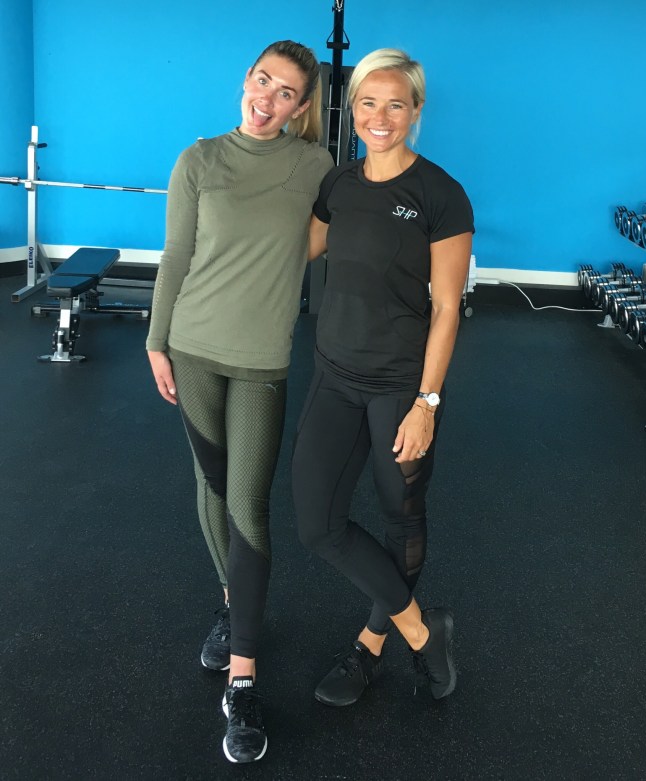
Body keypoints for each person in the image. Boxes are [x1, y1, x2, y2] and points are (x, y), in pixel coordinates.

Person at [146, 40, 333, 763]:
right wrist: (156, 341)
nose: (267, 99)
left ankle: (243, 678)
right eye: (262, 81)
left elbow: (320, 240)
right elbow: (177, 255)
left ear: (301, 107)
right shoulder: (199, 159)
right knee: (212, 485)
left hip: (260, 358)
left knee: (248, 505)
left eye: (285, 92)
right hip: (192, 345)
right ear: (245, 81)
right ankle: (235, 604)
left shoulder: (313, 166)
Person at [292, 48, 474, 707]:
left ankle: (370, 646)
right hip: (334, 374)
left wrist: (427, 403)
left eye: (396, 104)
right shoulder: (338, 183)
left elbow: (447, 308)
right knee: (317, 523)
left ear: (415, 111)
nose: (380, 116)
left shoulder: (439, 194)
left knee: (401, 516)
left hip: (400, 384)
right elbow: (298, 248)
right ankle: (423, 631)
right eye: (368, 102)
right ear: (352, 109)